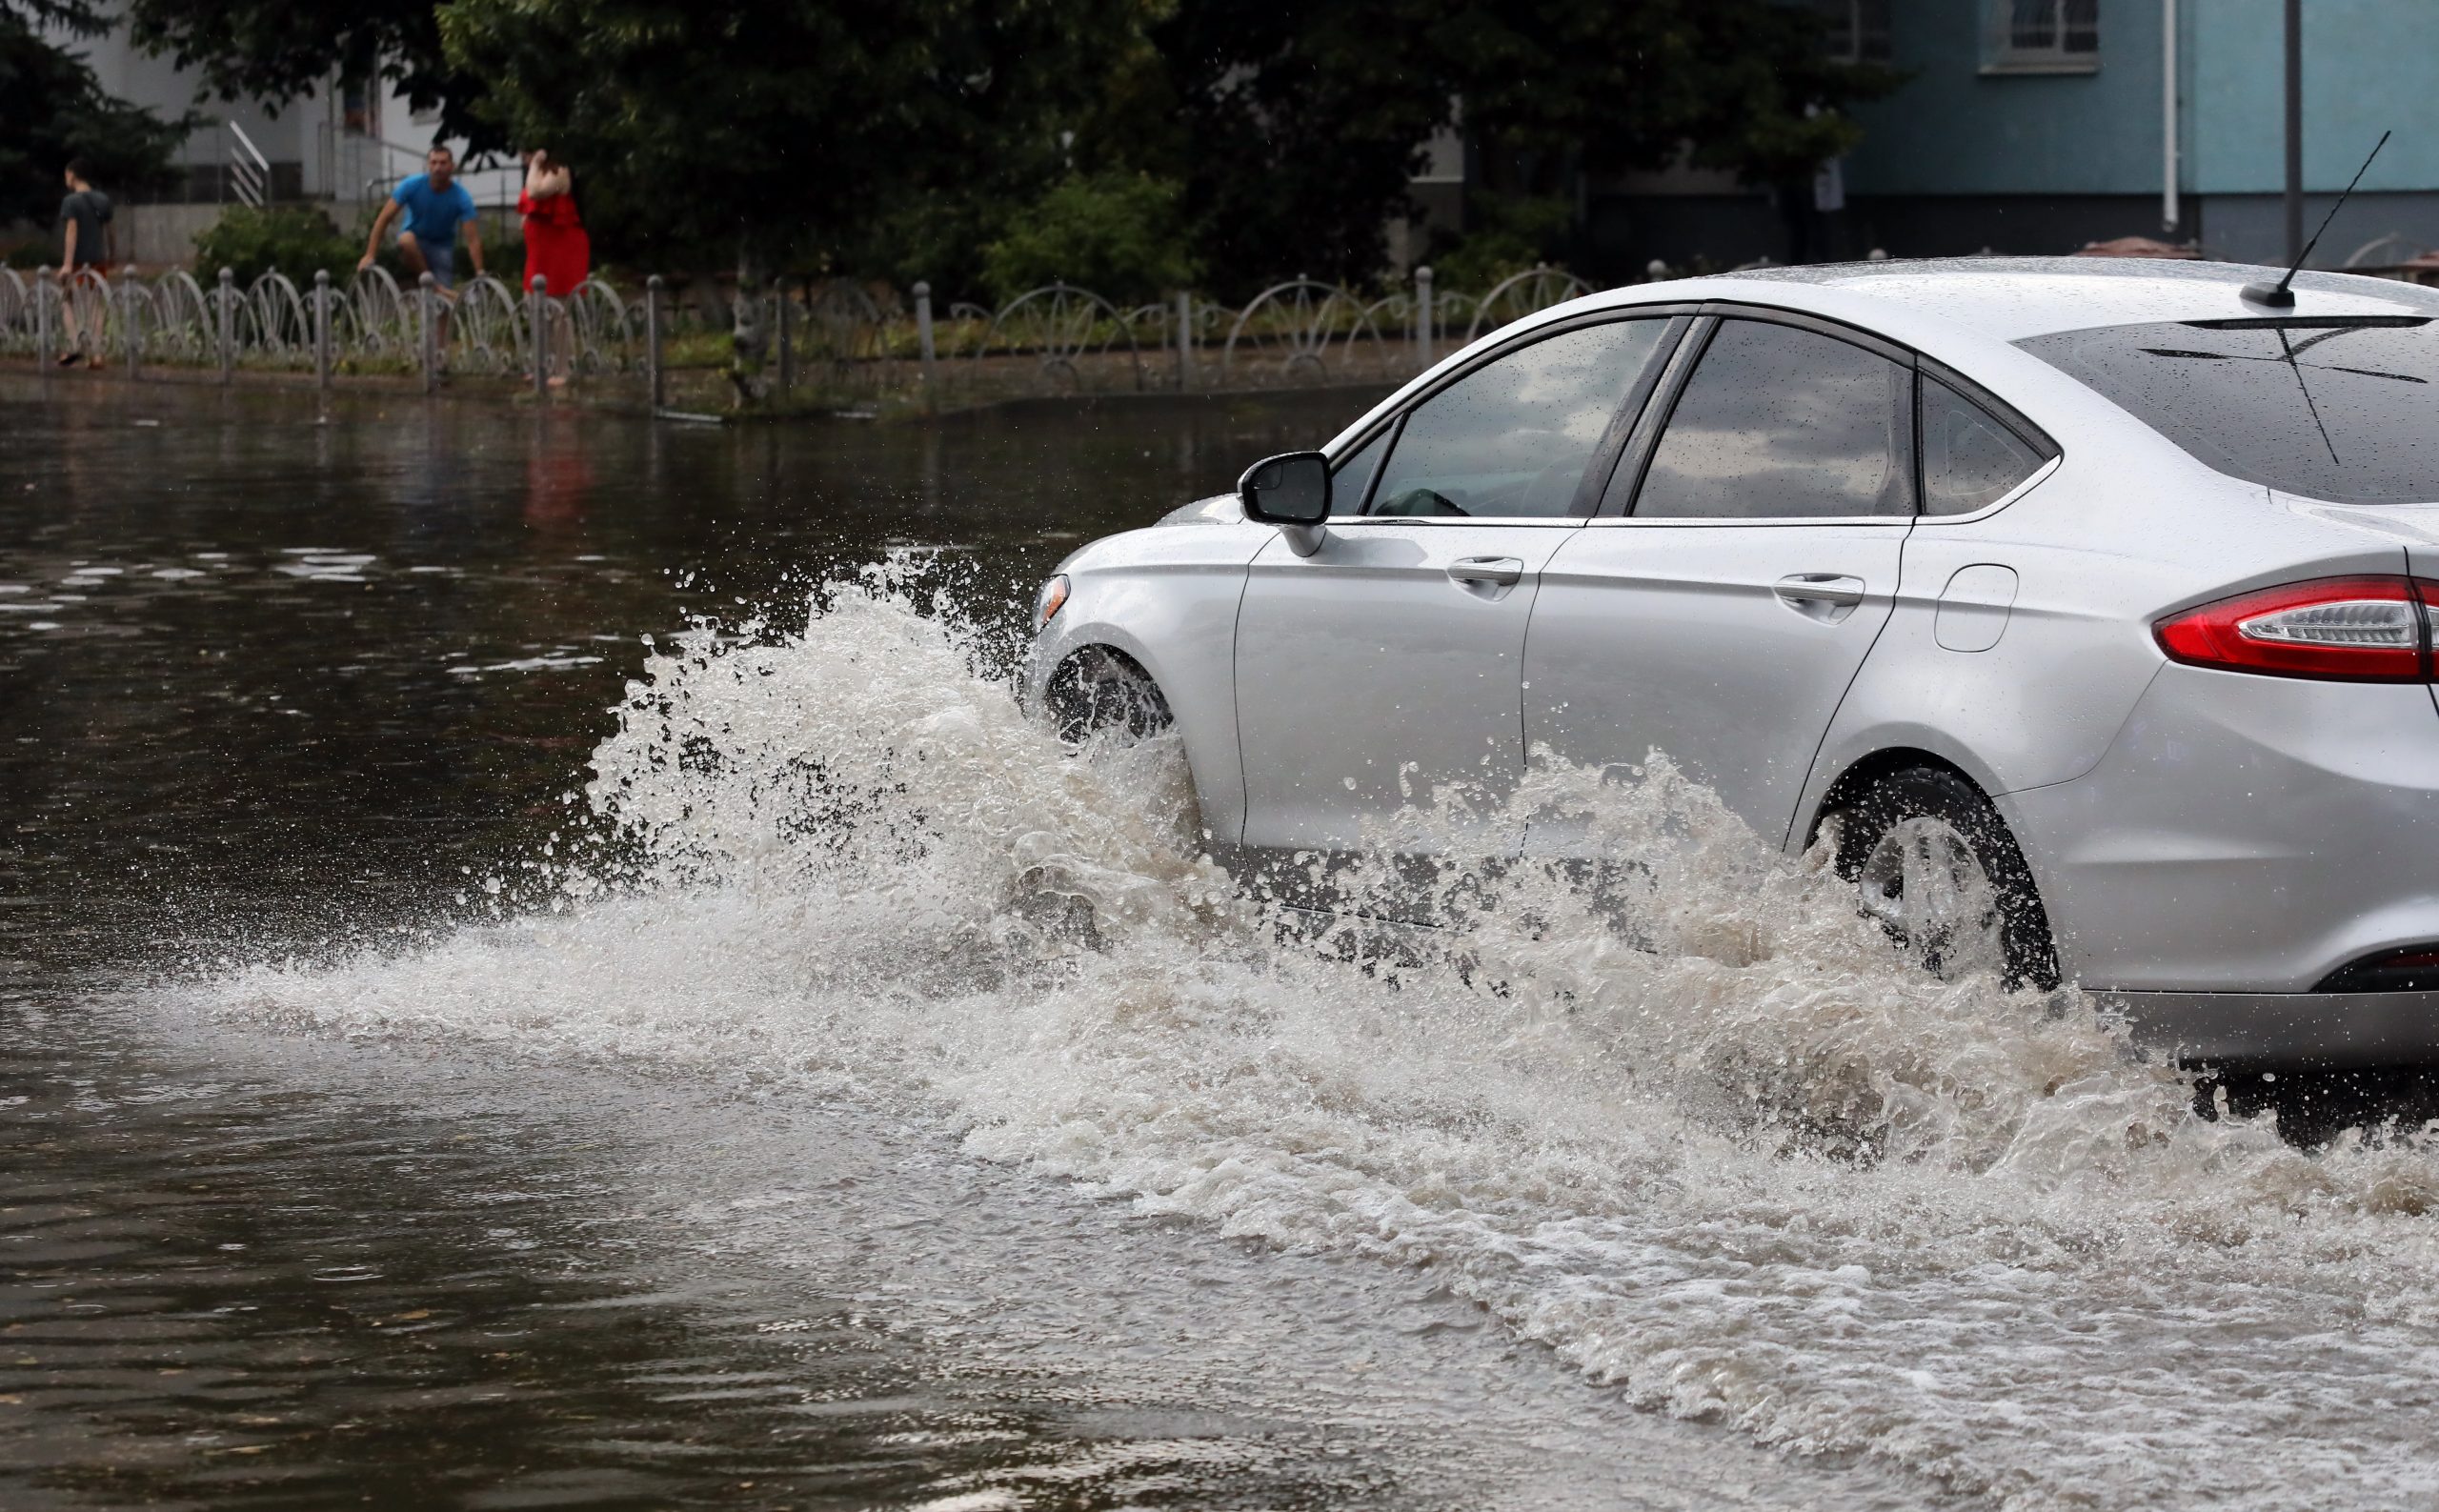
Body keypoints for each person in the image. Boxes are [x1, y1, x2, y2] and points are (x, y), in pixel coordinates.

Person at [359, 144, 485, 290]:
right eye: (434, 162)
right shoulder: (411, 185)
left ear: (452, 166)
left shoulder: (461, 197)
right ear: (428, 166)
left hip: (442, 247)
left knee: (444, 309)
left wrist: (480, 272)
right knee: (405, 240)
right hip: (414, 242)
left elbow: (473, 239)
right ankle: (435, 287)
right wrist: (370, 254)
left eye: (443, 163)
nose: (438, 168)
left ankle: (441, 293)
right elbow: (384, 218)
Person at [518, 149, 592, 386]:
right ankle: (541, 364)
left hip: (560, 247)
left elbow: (536, 192)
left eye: (527, 153)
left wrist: (533, 166)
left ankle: (562, 369)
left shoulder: (558, 171)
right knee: (534, 304)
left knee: (558, 308)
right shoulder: (537, 172)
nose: (523, 157)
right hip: (539, 250)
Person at [56, 159, 113, 368]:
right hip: (99, 260)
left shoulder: (71, 202)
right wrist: (111, 254)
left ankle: (75, 345)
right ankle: (96, 354)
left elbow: (72, 231)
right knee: (96, 305)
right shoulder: (103, 200)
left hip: (79, 262)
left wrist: (67, 264)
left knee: (66, 298)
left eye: (66, 175)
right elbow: (109, 230)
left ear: (72, 174)